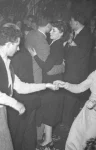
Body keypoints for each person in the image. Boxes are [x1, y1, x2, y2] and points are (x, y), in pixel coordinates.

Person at [0, 24, 57, 150]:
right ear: (8, 44)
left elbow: (20, 86)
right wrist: (14, 103)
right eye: (16, 45)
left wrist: (46, 85)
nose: (19, 48)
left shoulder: (5, 60)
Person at [28, 20, 66, 149]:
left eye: (54, 30)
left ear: (61, 33)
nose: (51, 31)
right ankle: (48, 138)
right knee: (48, 111)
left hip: (52, 83)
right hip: (53, 81)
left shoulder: (56, 45)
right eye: (52, 29)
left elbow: (46, 67)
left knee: (49, 112)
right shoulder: (55, 43)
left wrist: (35, 55)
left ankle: (48, 140)